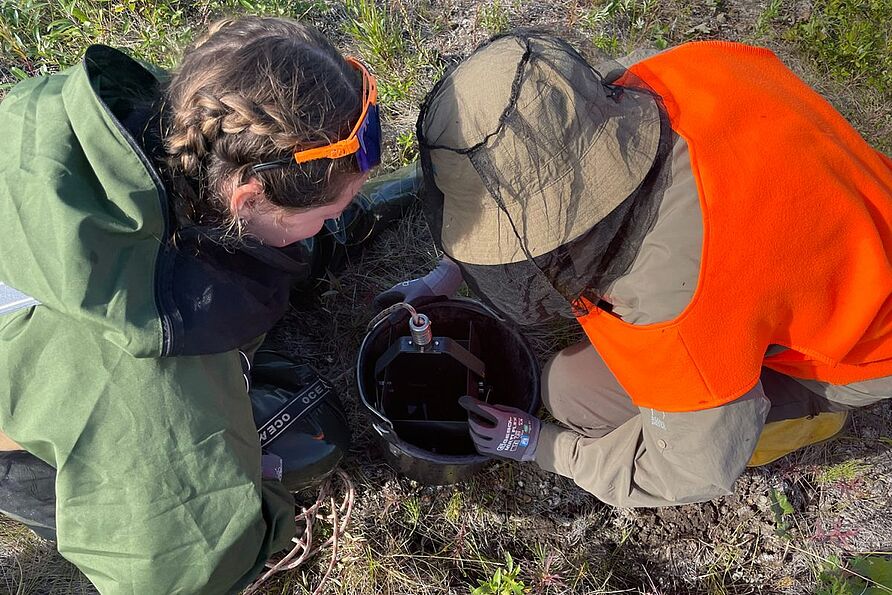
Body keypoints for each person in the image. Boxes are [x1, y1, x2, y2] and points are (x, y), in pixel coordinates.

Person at [0, 16, 413, 593]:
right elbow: (172, 567)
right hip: (44, 432)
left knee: (271, 259)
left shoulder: (104, 126)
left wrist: (311, 222)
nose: (336, 218)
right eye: (327, 215)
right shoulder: (154, 388)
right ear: (247, 197)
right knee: (311, 438)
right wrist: (263, 515)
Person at [411, 31, 892, 507]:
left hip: (859, 349)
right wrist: (445, 276)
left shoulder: (675, 309)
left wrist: (543, 447)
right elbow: (521, 184)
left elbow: (688, 471)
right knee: (573, 383)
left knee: (574, 397)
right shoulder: (680, 71)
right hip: (856, 226)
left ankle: (815, 410)